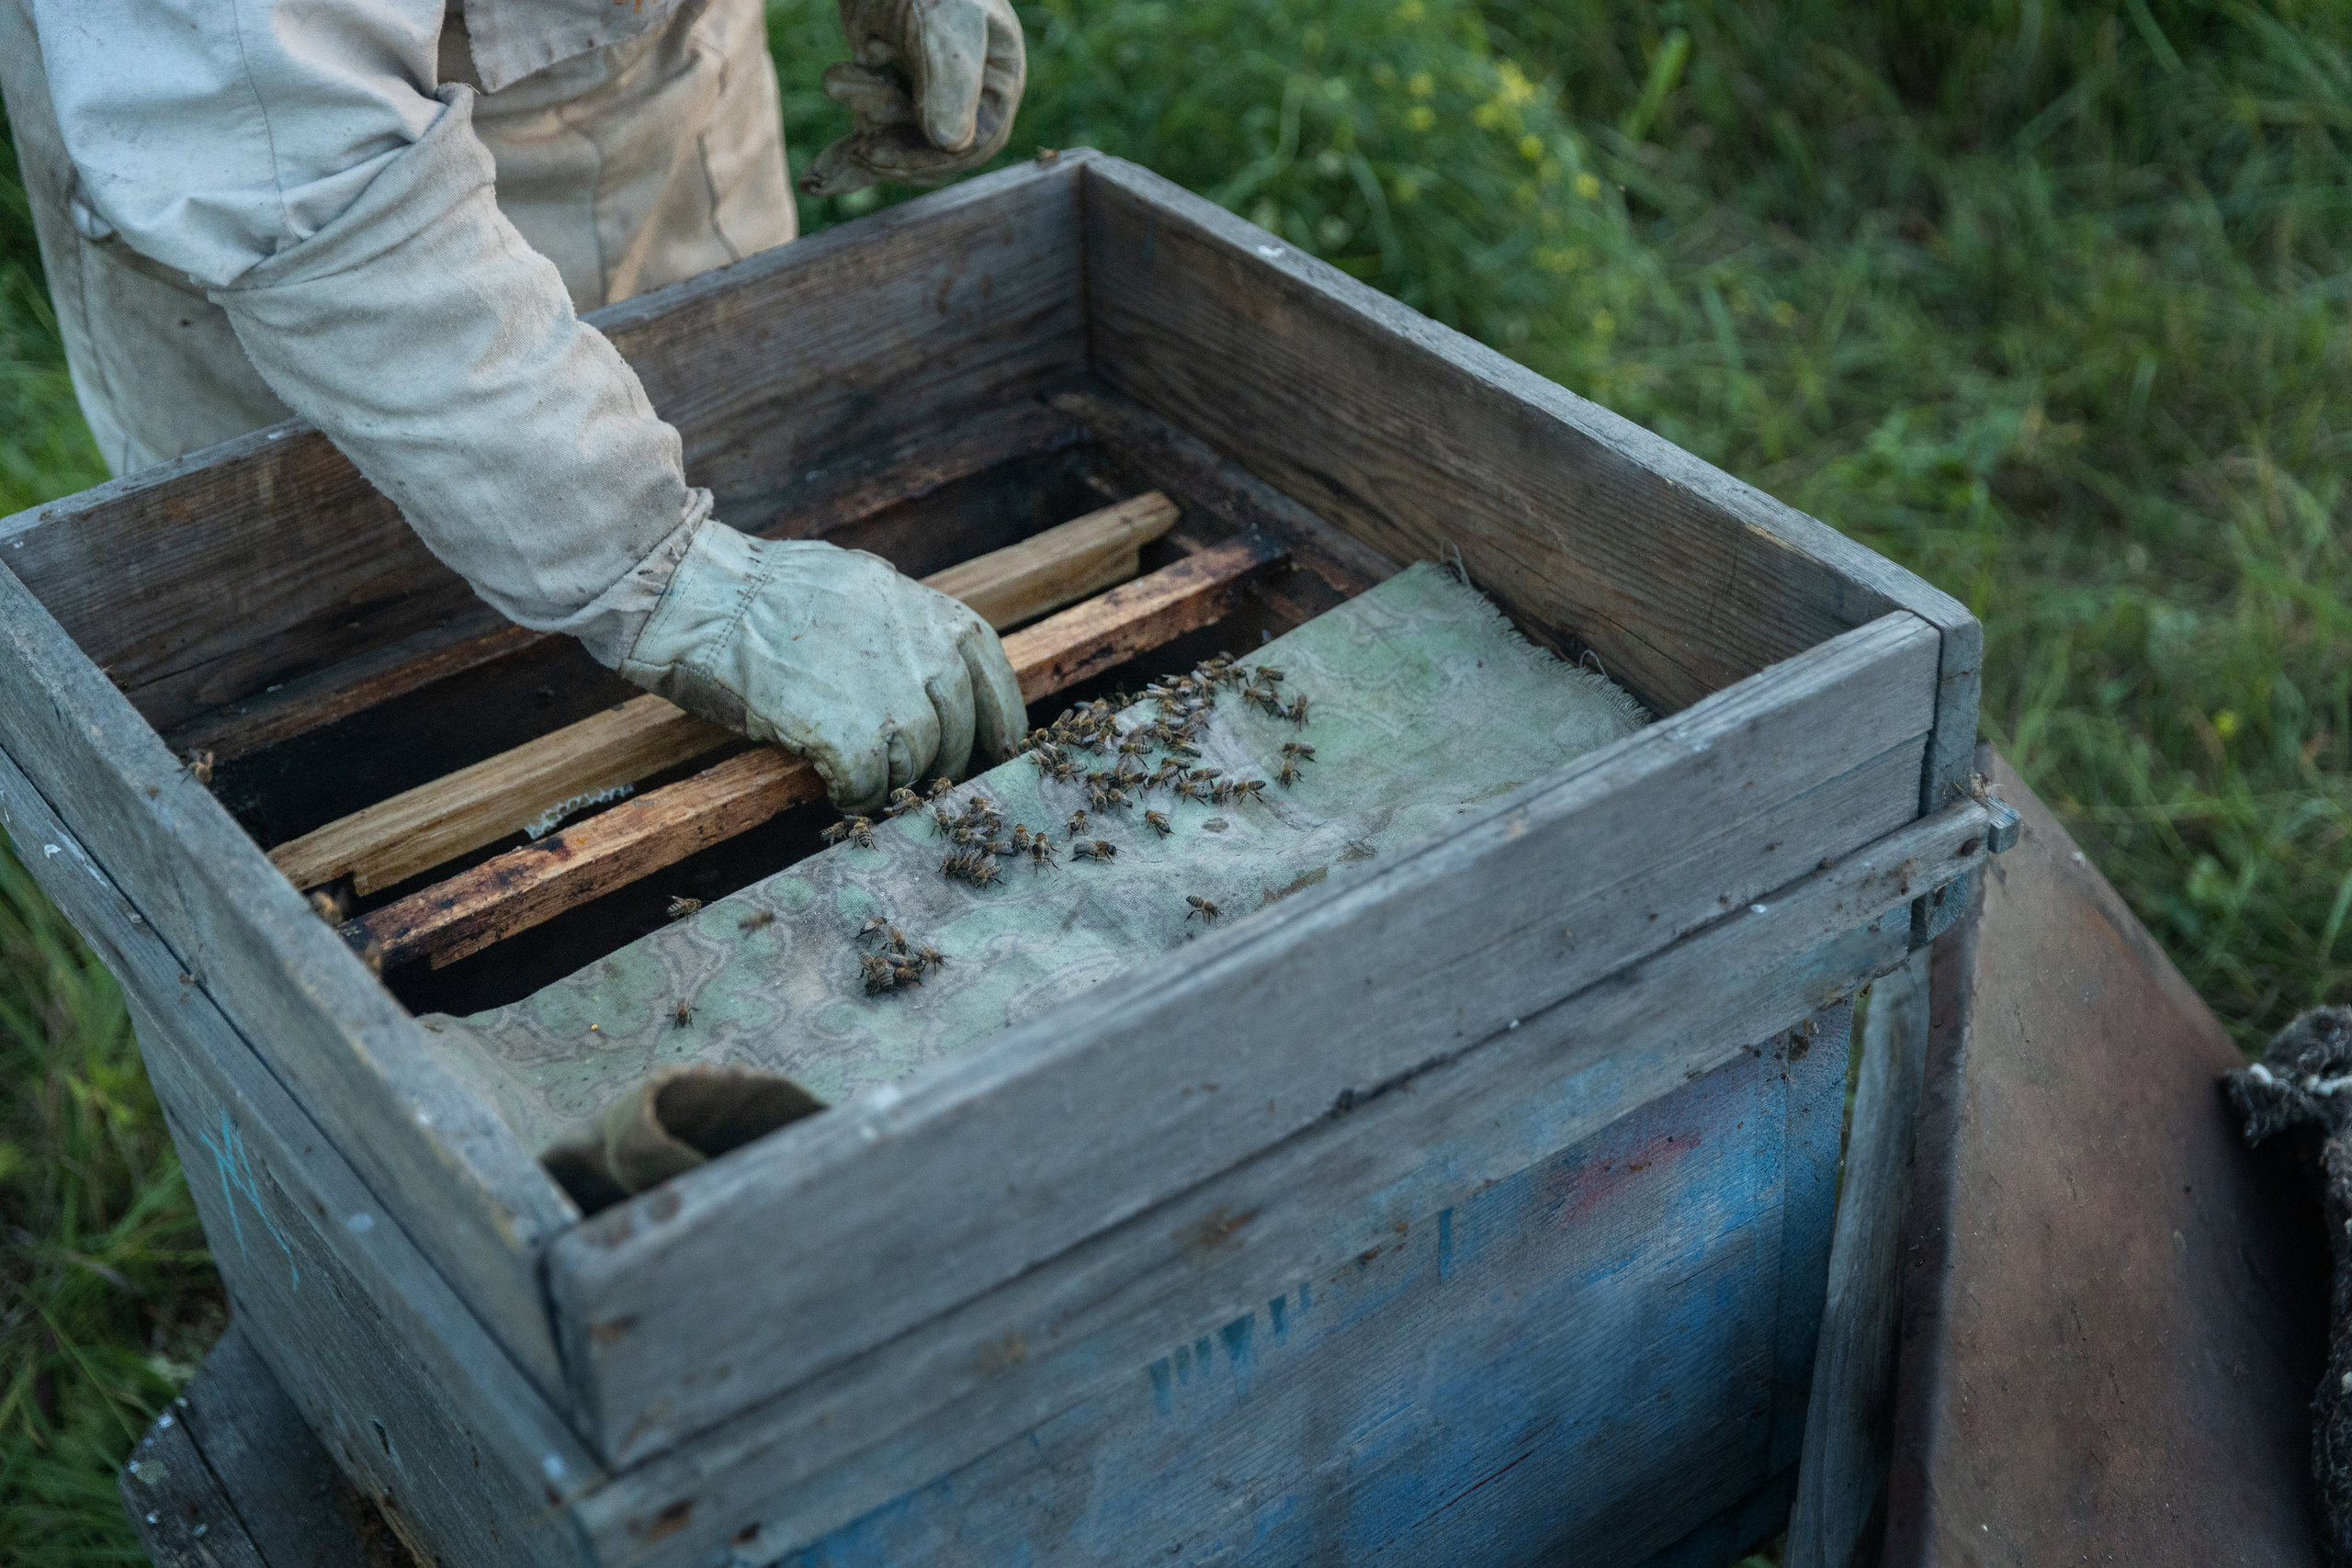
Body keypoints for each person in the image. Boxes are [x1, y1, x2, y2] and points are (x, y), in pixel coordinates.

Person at [0, 0, 1030, 812]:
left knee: (751, 522)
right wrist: (675, 579)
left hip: (663, 81)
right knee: (358, 679)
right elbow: (280, 148)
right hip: (314, 220)